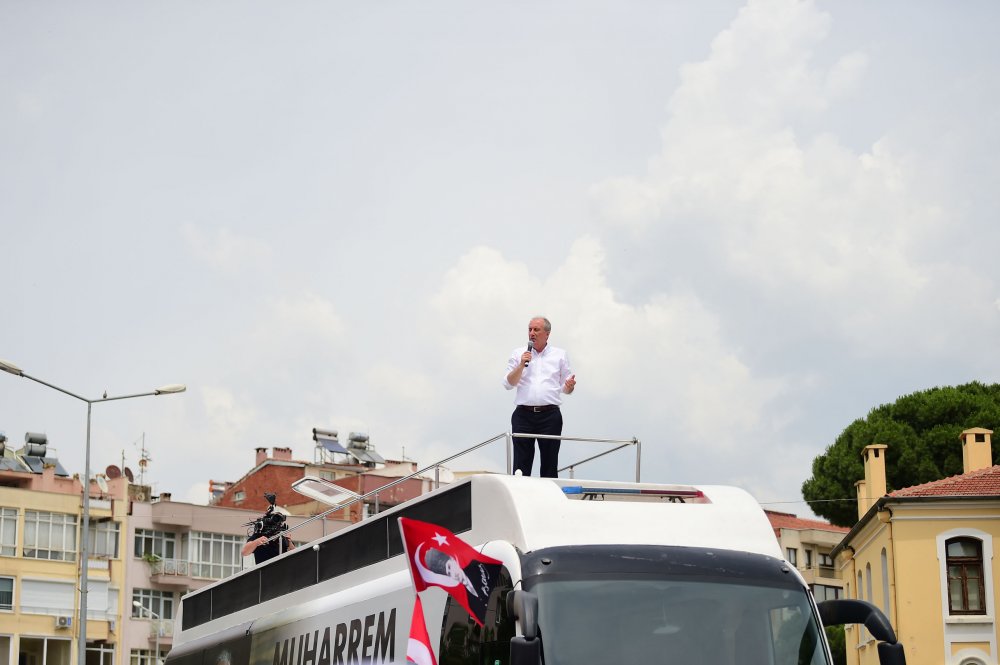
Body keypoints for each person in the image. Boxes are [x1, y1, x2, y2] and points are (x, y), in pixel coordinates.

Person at [503, 316, 576, 477]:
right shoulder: (518, 353)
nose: (532, 333)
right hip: (523, 415)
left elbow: (565, 388)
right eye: (529, 329)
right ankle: (520, 497)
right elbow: (508, 383)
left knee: (550, 464)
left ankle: (548, 499)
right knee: (521, 466)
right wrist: (521, 365)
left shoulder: (560, 355)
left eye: (536, 329)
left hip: (550, 416)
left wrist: (569, 387)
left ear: (547, 334)